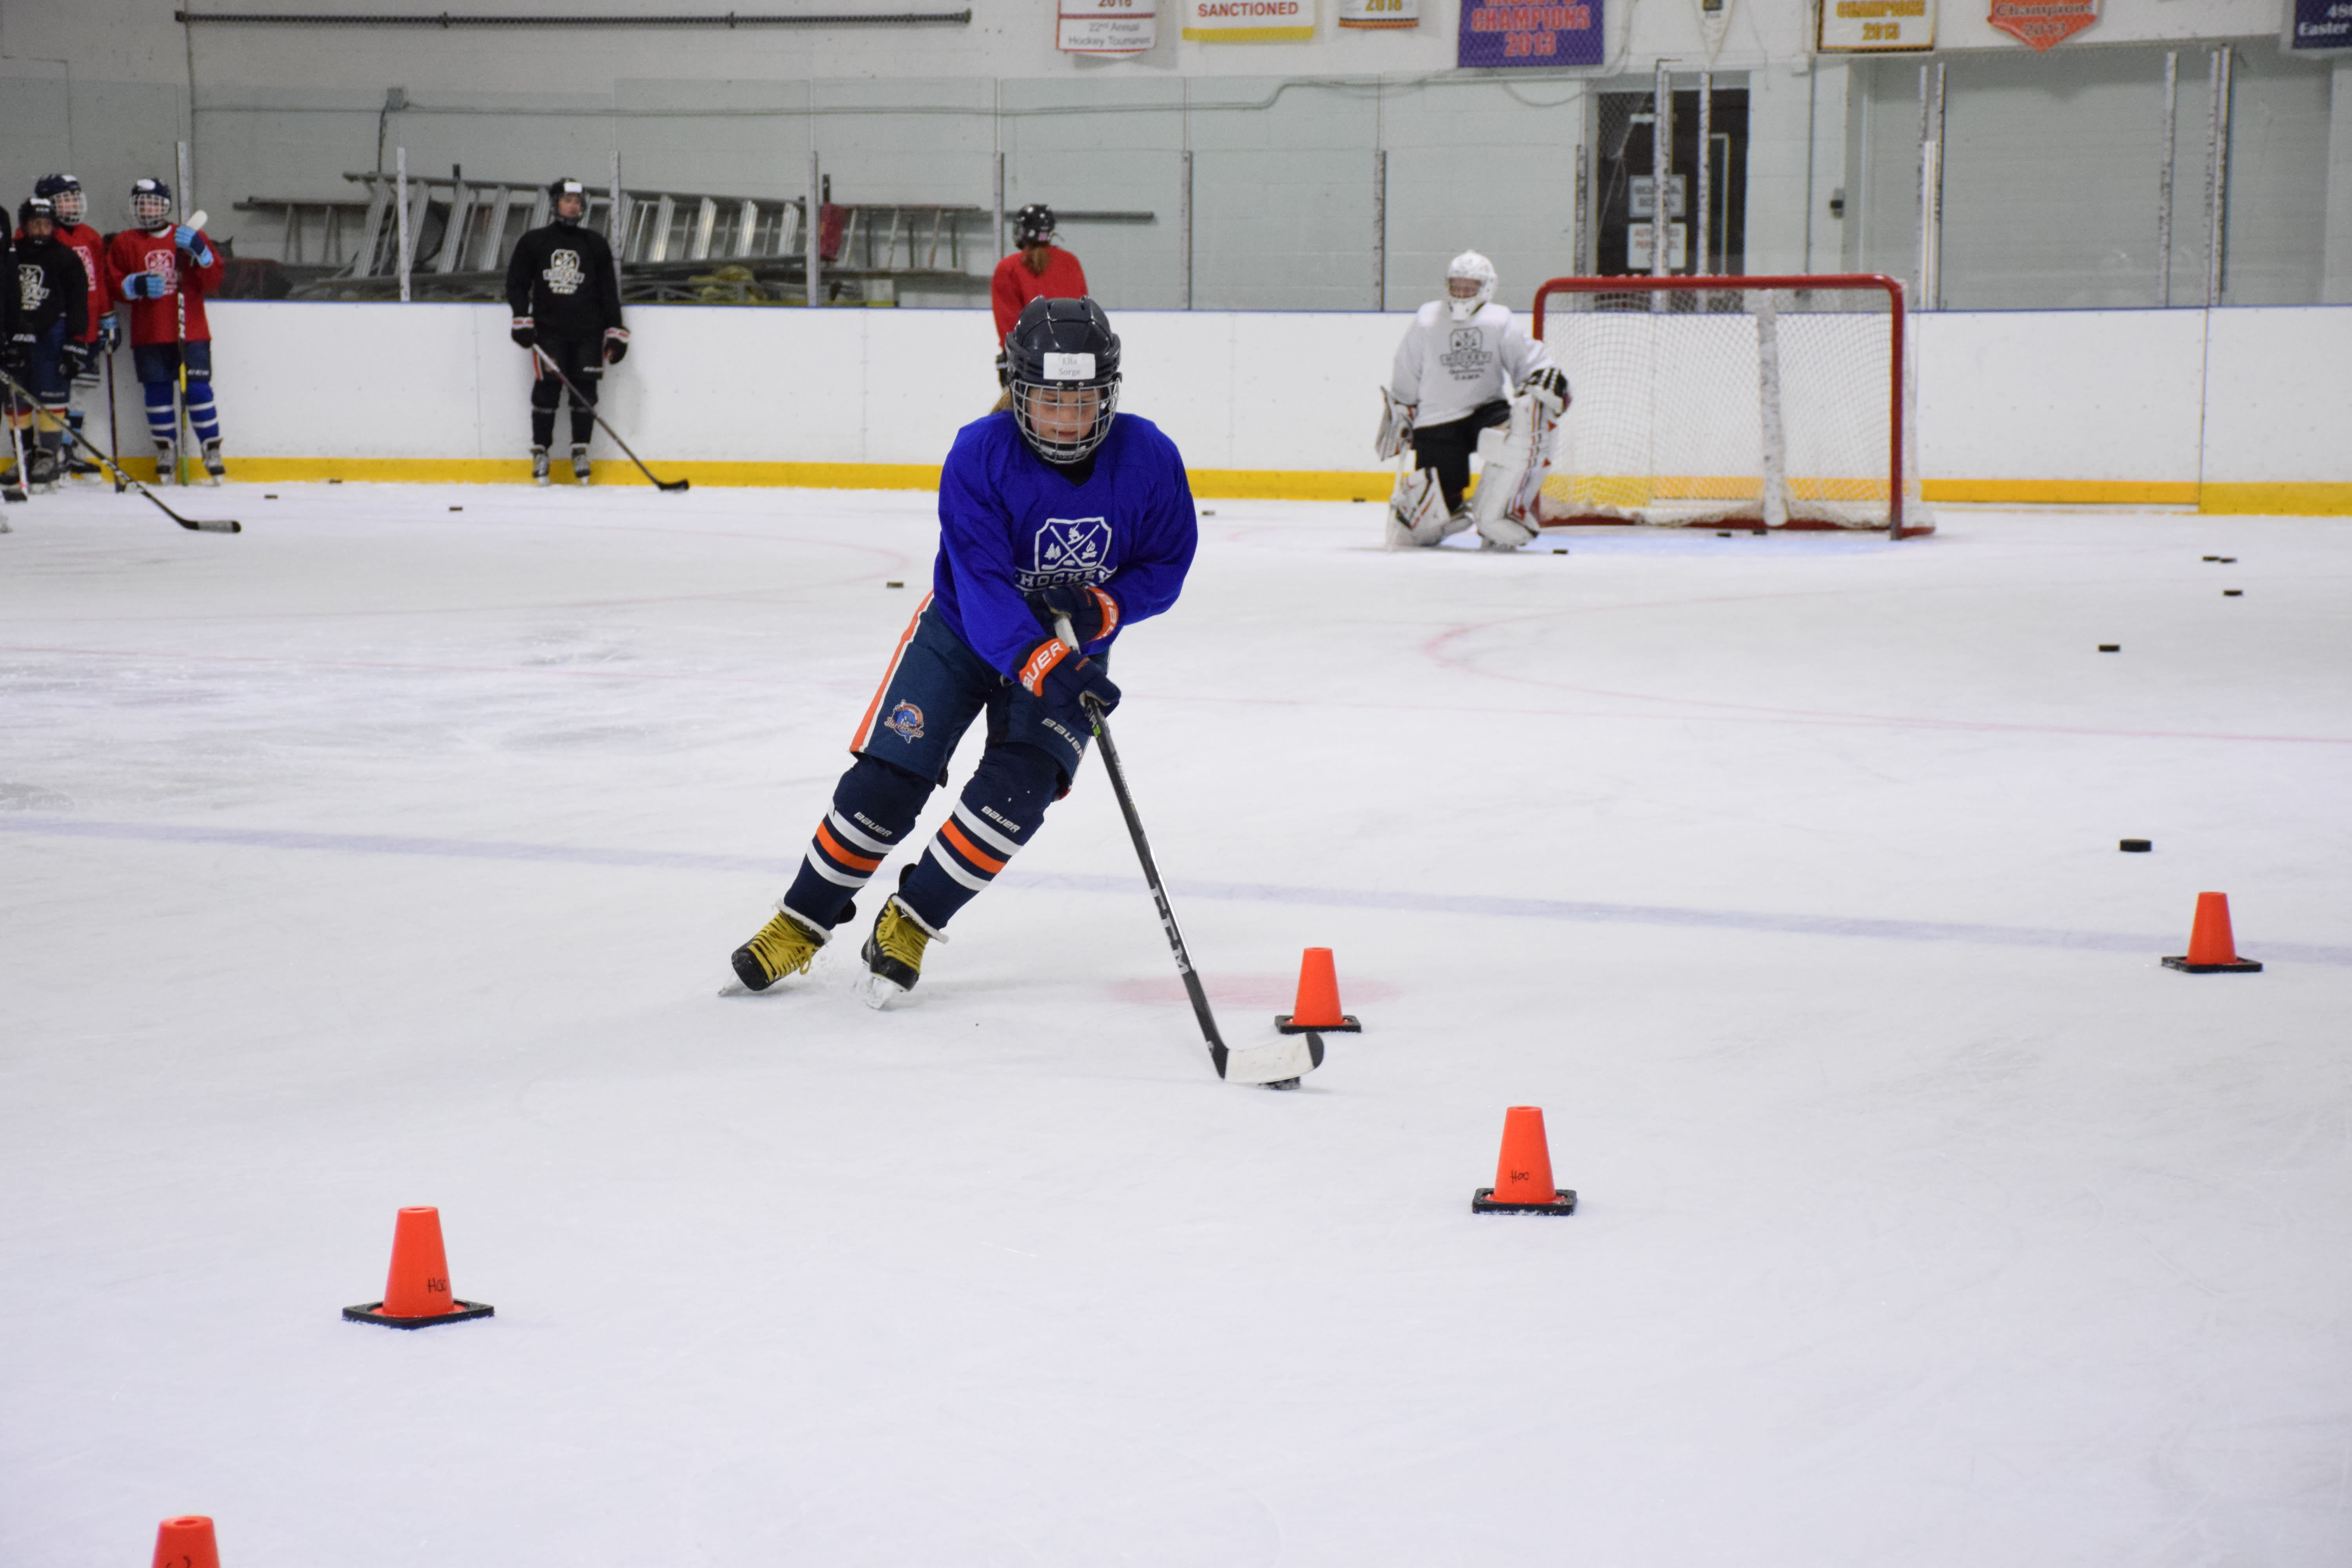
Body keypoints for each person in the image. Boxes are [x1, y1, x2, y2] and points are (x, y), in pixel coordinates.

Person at [728, 296, 1197, 1009]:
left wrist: (1105, 608)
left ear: (1110, 394)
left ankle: (911, 920)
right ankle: (802, 919)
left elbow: (1168, 561)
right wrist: (1036, 660)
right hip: (965, 632)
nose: (1068, 419)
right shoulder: (979, 453)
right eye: (1049, 400)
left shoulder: (1150, 457)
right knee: (887, 783)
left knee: (1020, 792)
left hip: (1073, 645)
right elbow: (979, 581)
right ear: (1016, 390)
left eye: (1084, 400)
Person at [1379, 250, 1570, 551]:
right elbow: (1407, 366)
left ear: (1487, 287)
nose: (1462, 292)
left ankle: (1502, 515)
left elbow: (1528, 361)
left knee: (1523, 428)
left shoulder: (1498, 319)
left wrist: (1544, 377)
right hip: (1437, 418)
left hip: (1487, 409)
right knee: (1424, 526)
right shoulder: (1427, 319)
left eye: (1471, 286)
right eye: (1457, 285)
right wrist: (1403, 410)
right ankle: (1441, 516)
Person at [102, 177, 227, 483]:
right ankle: (166, 450)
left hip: (191, 330)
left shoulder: (190, 237)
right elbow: (113, 285)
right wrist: (133, 285)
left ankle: (211, 448)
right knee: (157, 393)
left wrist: (201, 252)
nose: (149, 209)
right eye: (143, 203)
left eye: (155, 203)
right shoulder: (125, 242)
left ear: (166, 206)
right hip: (150, 334)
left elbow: (213, 281)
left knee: (198, 391)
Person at [505, 177, 626, 486]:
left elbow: (609, 292)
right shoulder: (535, 242)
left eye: (578, 201)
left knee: (585, 394)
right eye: (567, 200)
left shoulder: (595, 244)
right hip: (549, 333)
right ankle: (541, 452)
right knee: (547, 391)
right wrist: (522, 319)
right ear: (555, 203)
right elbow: (516, 283)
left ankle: (580, 451)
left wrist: (615, 330)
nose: (573, 205)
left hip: (588, 332)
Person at [7, 196, 91, 493]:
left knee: (51, 397)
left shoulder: (66, 257)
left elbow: (80, 302)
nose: (41, 230)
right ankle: (24, 454)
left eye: (46, 224)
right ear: (24, 225)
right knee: (15, 399)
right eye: (35, 224)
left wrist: (76, 342)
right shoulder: (11, 256)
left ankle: (48, 456)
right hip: (16, 335)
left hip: (51, 335)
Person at [32, 175, 113, 477]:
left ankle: (71, 449)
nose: (72, 205)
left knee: (79, 392)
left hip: (86, 328)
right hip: (55, 330)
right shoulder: (40, 237)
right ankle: (50, 452)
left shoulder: (90, 236)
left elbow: (99, 282)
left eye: (74, 198)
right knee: (55, 393)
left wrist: (107, 318)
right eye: (65, 199)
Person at [989, 204, 1086, 385]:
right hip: (1075, 363)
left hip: (1030, 365)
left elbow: (1008, 325)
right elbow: (1084, 310)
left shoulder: (1009, 268)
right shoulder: (1071, 262)